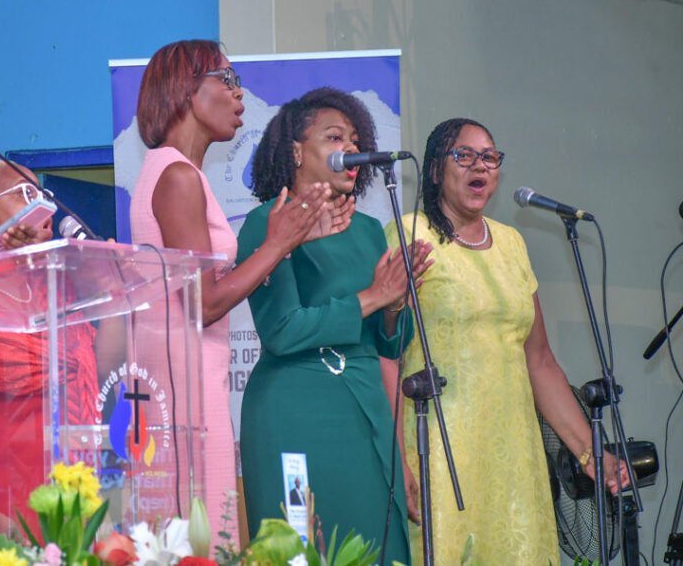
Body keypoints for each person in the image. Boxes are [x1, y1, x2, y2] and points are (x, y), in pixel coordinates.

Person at [383, 117, 631, 565]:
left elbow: (539, 362)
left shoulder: (513, 244)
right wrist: (398, 459)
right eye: (465, 155)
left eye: (490, 157)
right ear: (436, 169)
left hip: (514, 449)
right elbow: (386, 353)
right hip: (440, 446)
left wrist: (588, 451)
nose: (481, 165)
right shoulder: (410, 233)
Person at [129, 40, 343, 543]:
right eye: (226, 79)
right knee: (202, 541)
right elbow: (202, 305)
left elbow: (205, 289)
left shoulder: (176, 172)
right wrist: (278, 242)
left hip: (187, 384)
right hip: (186, 395)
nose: (239, 94)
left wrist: (289, 243)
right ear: (186, 90)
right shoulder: (177, 176)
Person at [236, 87, 431, 562]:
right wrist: (372, 296)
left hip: (364, 411)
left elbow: (389, 346)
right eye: (335, 136)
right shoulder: (268, 222)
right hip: (295, 411)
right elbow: (283, 330)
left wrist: (393, 306)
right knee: (306, 547)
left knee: (376, 543)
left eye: (357, 137)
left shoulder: (368, 230)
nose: (353, 146)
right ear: (297, 151)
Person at [0, 160, 107, 533]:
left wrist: (106, 280)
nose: (46, 207)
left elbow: (100, 371)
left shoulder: (54, 287)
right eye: (26, 194)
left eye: (44, 194)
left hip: (69, 490)